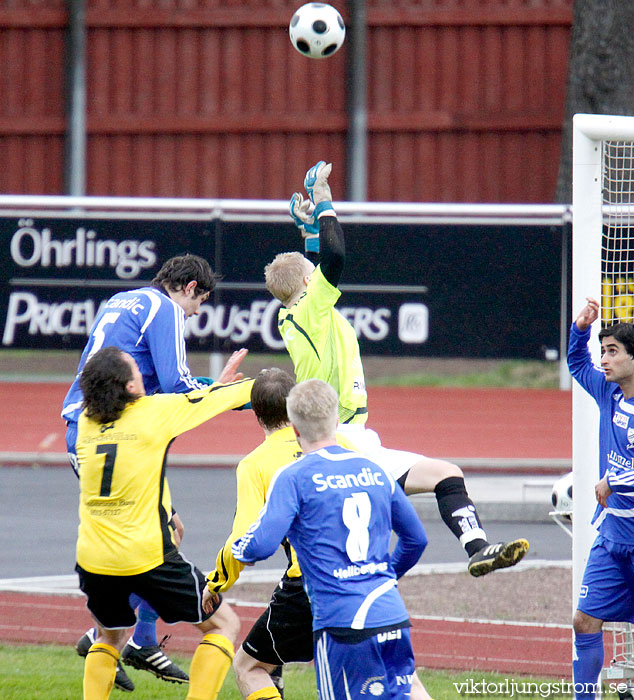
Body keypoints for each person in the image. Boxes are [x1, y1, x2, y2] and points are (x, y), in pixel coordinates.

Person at [264, 160, 529, 577]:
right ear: (306, 284)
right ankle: (379, 580)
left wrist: (308, 230)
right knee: (432, 489)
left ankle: (477, 549)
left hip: (351, 438)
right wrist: (324, 203)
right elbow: (334, 256)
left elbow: (315, 261)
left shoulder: (293, 312)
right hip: (346, 439)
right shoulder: (312, 306)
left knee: (441, 478)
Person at [206, 368, 434, 700]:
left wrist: (218, 575)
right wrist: (383, 576)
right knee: (408, 686)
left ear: (295, 425)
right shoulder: (372, 466)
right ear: (334, 419)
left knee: (249, 667)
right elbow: (416, 540)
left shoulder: (289, 474)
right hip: (387, 605)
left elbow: (257, 545)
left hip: (334, 610)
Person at [63, 253, 220, 689]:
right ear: (189, 288)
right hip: (104, 431)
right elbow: (177, 384)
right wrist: (230, 394)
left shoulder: (123, 299)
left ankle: (134, 638)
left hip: (92, 423)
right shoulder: (166, 308)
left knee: (169, 531)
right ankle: (107, 637)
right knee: (147, 539)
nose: (196, 312)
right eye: (200, 303)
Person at [75, 345, 252, 700]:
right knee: (224, 624)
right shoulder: (153, 412)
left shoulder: (85, 420)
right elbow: (237, 394)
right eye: (136, 371)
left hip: (93, 559)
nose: (143, 374)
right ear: (128, 388)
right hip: (146, 556)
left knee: (109, 635)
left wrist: (211, 389)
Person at [568, 297, 634, 699]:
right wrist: (580, 329)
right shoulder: (608, 393)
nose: (604, 360)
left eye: (613, 352)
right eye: (603, 351)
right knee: (584, 621)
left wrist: (614, 481)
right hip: (613, 537)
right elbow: (577, 364)